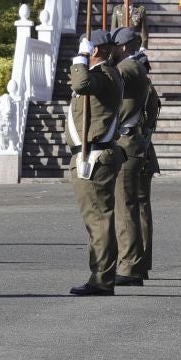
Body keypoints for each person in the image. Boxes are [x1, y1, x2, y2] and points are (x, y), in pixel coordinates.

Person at [66, 32, 124, 296]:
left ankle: (102, 278)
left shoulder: (104, 75)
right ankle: (101, 275)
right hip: (90, 154)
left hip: (95, 156)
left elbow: (81, 84)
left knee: (99, 219)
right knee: (96, 219)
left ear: (95, 50)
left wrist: (81, 57)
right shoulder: (101, 74)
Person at [111, 30, 158, 287]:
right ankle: (140, 263)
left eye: (114, 45)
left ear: (124, 46)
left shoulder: (129, 67)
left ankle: (129, 266)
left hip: (128, 145)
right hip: (142, 144)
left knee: (126, 206)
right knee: (139, 207)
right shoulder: (142, 71)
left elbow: (106, 78)